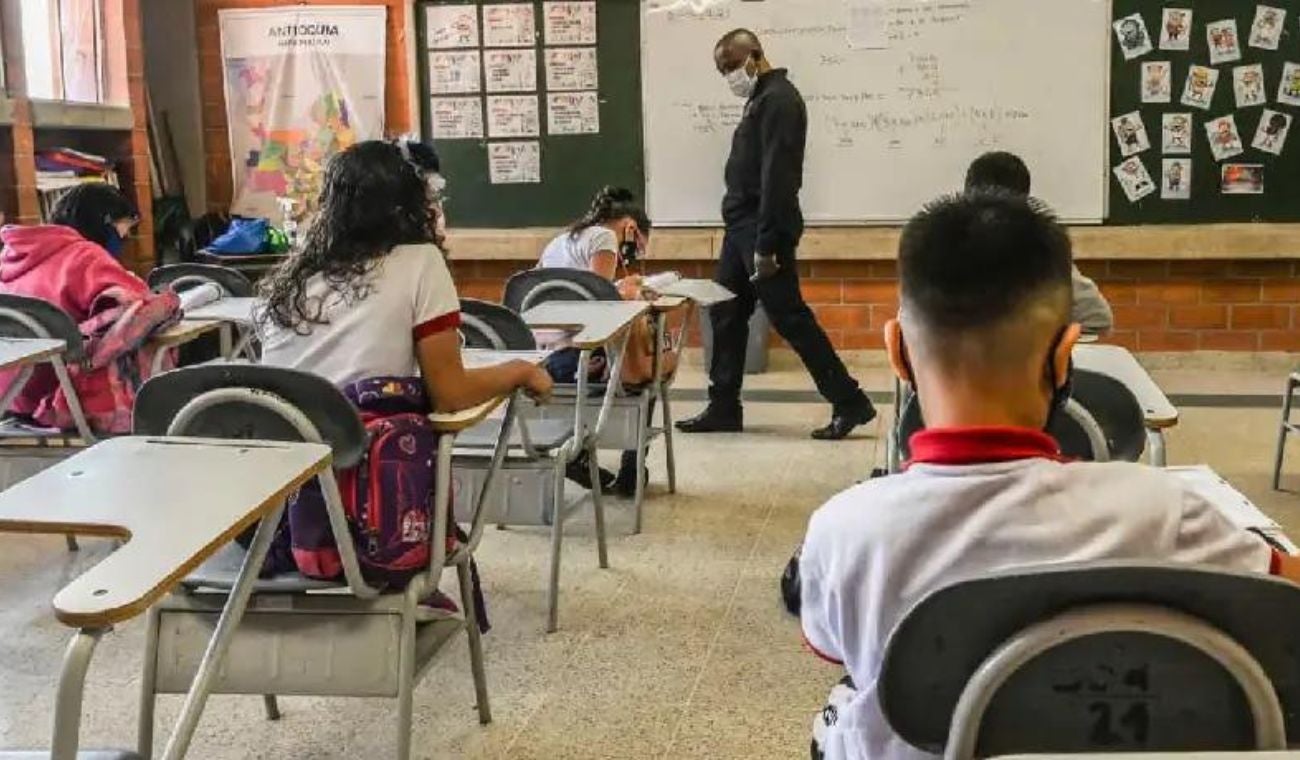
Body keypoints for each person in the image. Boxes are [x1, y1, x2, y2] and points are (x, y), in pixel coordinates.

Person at [799, 190, 1300, 760]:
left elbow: (830, 645)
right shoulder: (1163, 510)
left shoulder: (845, 529)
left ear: (898, 351)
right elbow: (1284, 594)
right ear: (1066, 356)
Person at [677, 28, 875, 441]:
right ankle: (723, 406)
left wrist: (767, 244)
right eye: (722, 70)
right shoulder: (760, 99)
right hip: (741, 228)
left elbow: (778, 177)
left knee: (789, 316)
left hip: (762, 229)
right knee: (726, 312)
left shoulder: (780, 100)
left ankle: (850, 402)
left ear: (755, 56)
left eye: (732, 65)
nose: (729, 75)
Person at [258, 138, 552, 411]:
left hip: (285, 446)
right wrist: (520, 370)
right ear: (409, 206)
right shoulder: (421, 261)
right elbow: (450, 394)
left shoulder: (296, 273)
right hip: (355, 450)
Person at [538, 186, 679, 496]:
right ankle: (630, 471)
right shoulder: (605, 237)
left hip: (547, 360)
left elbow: (581, 293)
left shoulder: (561, 241)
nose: (633, 256)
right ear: (630, 228)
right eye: (638, 246)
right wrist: (631, 290)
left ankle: (578, 449)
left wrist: (617, 287)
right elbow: (601, 307)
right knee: (649, 375)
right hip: (581, 360)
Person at [0, 183, 163, 429]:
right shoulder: (86, 256)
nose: (125, 238)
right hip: (57, 397)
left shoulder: (9, 256)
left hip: (11, 397)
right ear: (105, 223)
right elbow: (139, 303)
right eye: (124, 229)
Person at [965, 152, 1114, 335]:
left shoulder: (939, 251)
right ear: (1023, 202)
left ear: (967, 198)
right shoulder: (1041, 250)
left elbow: (1097, 319)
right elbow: (1097, 318)